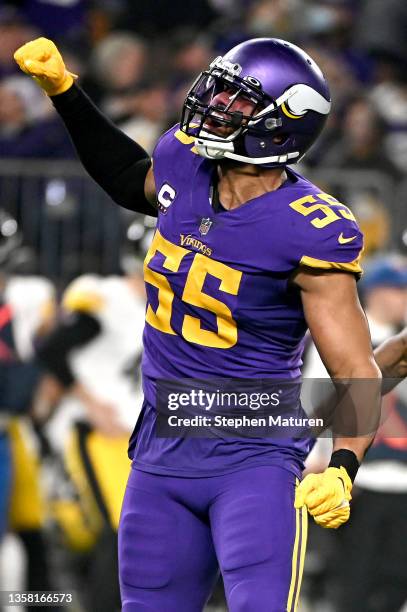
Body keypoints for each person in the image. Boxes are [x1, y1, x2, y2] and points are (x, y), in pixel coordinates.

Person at [14, 37, 382, 611]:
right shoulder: (185, 165)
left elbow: (355, 368)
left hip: (253, 456)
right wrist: (66, 93)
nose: (212, 104)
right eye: (218, 88)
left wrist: (342, 467)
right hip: (162, 449)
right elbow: (127, 176)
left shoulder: (309, 229)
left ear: (282, 124)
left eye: (235, 99)